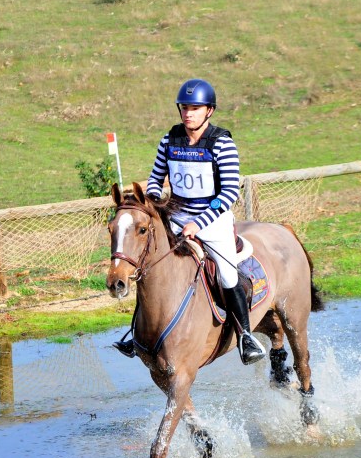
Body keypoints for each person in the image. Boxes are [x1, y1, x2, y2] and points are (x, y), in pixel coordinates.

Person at [114, 78, 267, 365]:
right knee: (148, 265)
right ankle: (137, 334)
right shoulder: (169, 140)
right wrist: (157, 205)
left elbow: (230, 192)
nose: (188, 113)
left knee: (226, 273)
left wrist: (200, 223)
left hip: (214, 218)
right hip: (176, 216)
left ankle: (246, 336)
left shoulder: (222, 143)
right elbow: (156, 181)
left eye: (195, 108)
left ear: (209, 111)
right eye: (185, 108)